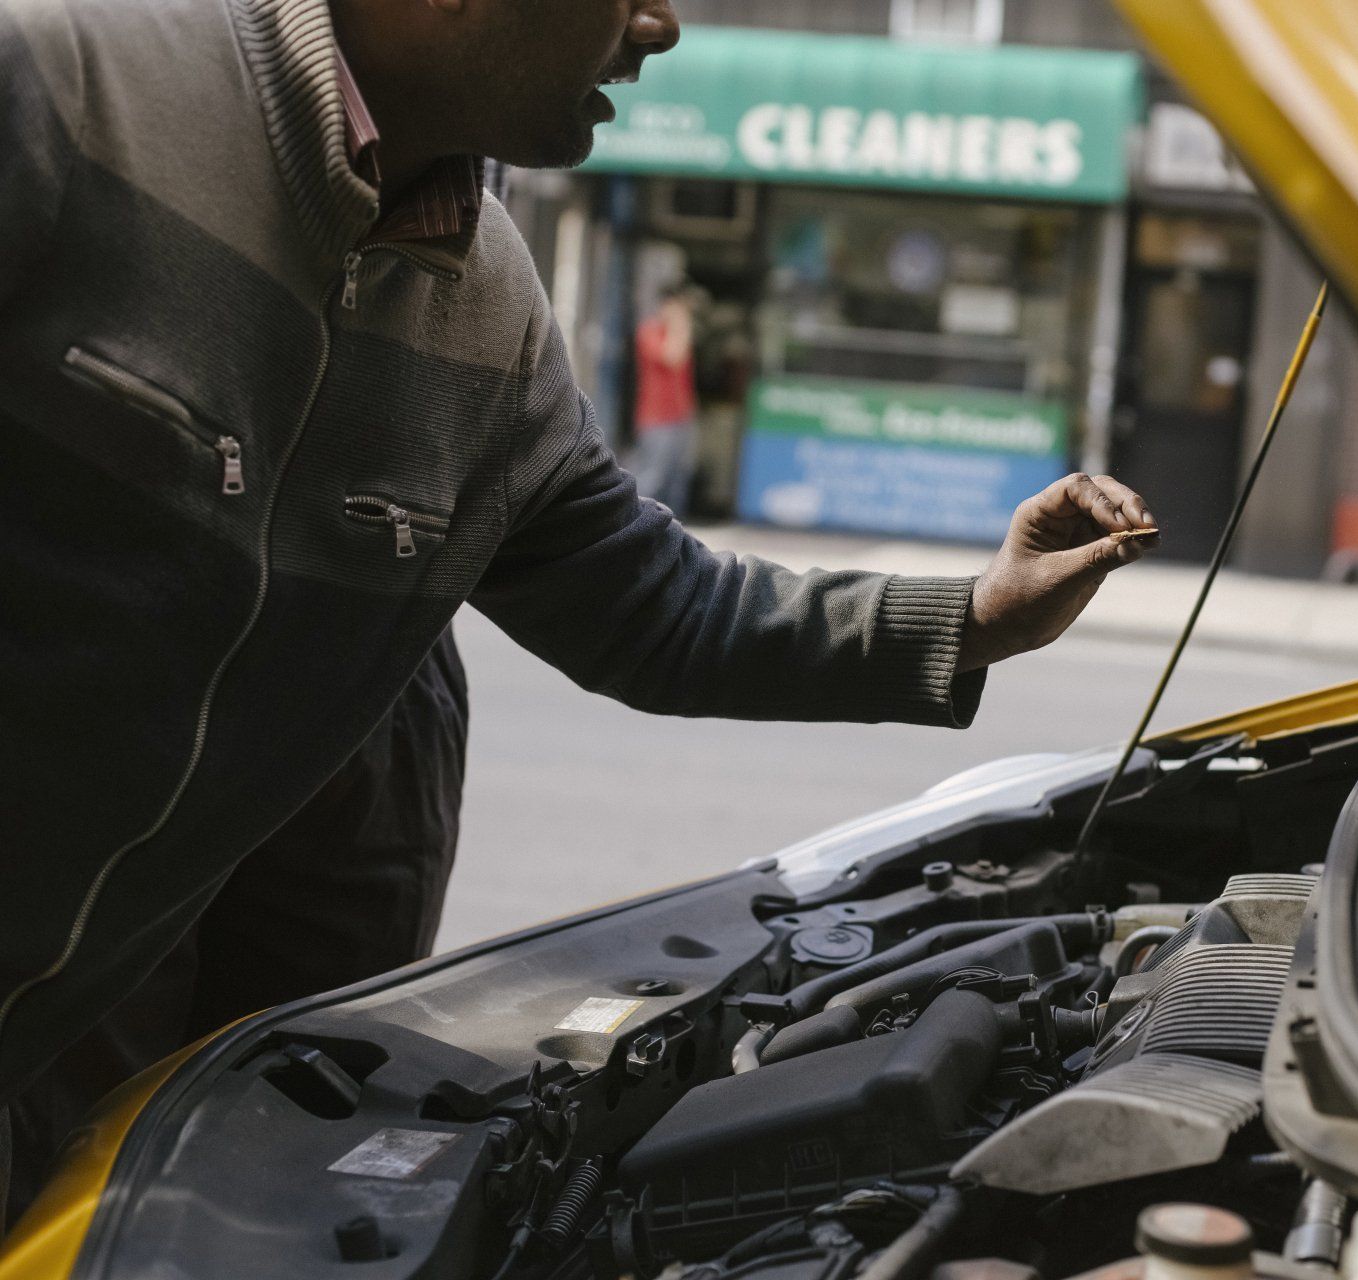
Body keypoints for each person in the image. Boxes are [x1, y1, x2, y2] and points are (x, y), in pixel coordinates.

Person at [0, 0, 1159, 1210]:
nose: (658, 27)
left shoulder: (491, 306)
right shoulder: (63, 80)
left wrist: (979, 613)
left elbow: (658, 608)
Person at [628, 285, 700, 514]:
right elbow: (672, 357)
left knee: (677, 479)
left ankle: (670, 534)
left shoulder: (679, 334)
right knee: (651, 478)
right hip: (656, 418)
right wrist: (680, 325)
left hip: (681, 417)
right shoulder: (649, 332)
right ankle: (633, 525)